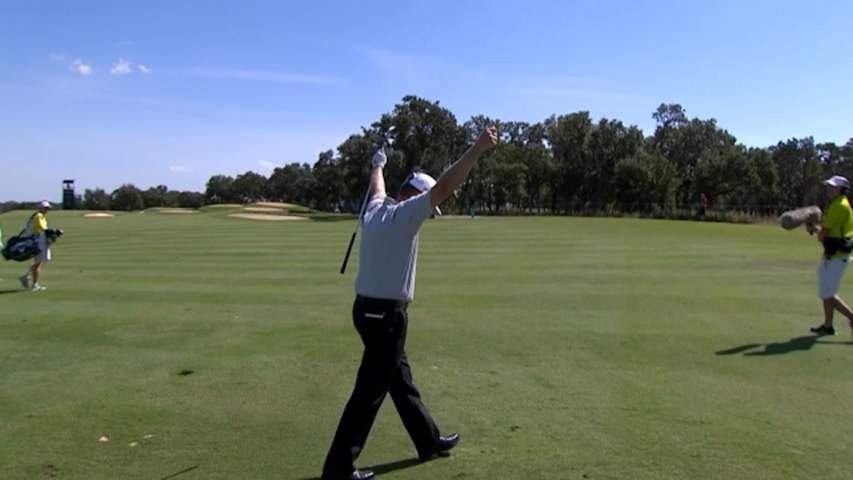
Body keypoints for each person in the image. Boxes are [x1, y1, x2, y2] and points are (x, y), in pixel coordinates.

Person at [321, 126, 499, 480]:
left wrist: (378, 164)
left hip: (366, 312)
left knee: (400, 381)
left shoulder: (374, 212)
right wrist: (477, 149)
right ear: (414, 195)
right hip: (386, 318)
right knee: (369, 394)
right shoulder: (406, 215)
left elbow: (376, 187)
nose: (428, 217)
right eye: (427, 207)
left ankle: (427, 440)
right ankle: (338, 468)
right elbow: (446, 186)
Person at [806, 175, 853, 335]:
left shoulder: (839, 206)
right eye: (829, 186)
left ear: (842, 189)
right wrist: (815, 228)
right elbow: (827, 231)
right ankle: (828, 325)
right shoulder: (837, 204)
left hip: (836, 256)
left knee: (828, 293)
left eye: (833, 187)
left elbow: (824, 234)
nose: (829, 189)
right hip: (832, 255)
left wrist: (818, 232)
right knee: (826, 291)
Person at [19, 200, 52, 292]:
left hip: (33, 241)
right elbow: (43, 229)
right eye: (45, 208)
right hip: (36, 242)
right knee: (39, 262)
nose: (47, 209)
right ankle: (34, 284)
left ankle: (27, 276)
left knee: (39, 262)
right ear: (40, 208)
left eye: (48, 208)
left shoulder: (36, 215)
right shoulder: (39, 216)